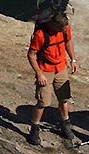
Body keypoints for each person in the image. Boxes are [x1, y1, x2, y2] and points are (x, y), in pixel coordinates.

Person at [27, 11, 79, 146]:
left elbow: (68, 42)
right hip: (45, 70)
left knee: (64, 98)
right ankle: (35, 128)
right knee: (43, 102)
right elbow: (31, 54)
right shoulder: (40, 34)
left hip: (61, 68)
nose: (61, 31)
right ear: (53, 24)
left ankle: (65, 123)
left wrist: (73, 59)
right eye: (59, 29)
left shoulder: (65, 29)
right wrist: (39, 73)